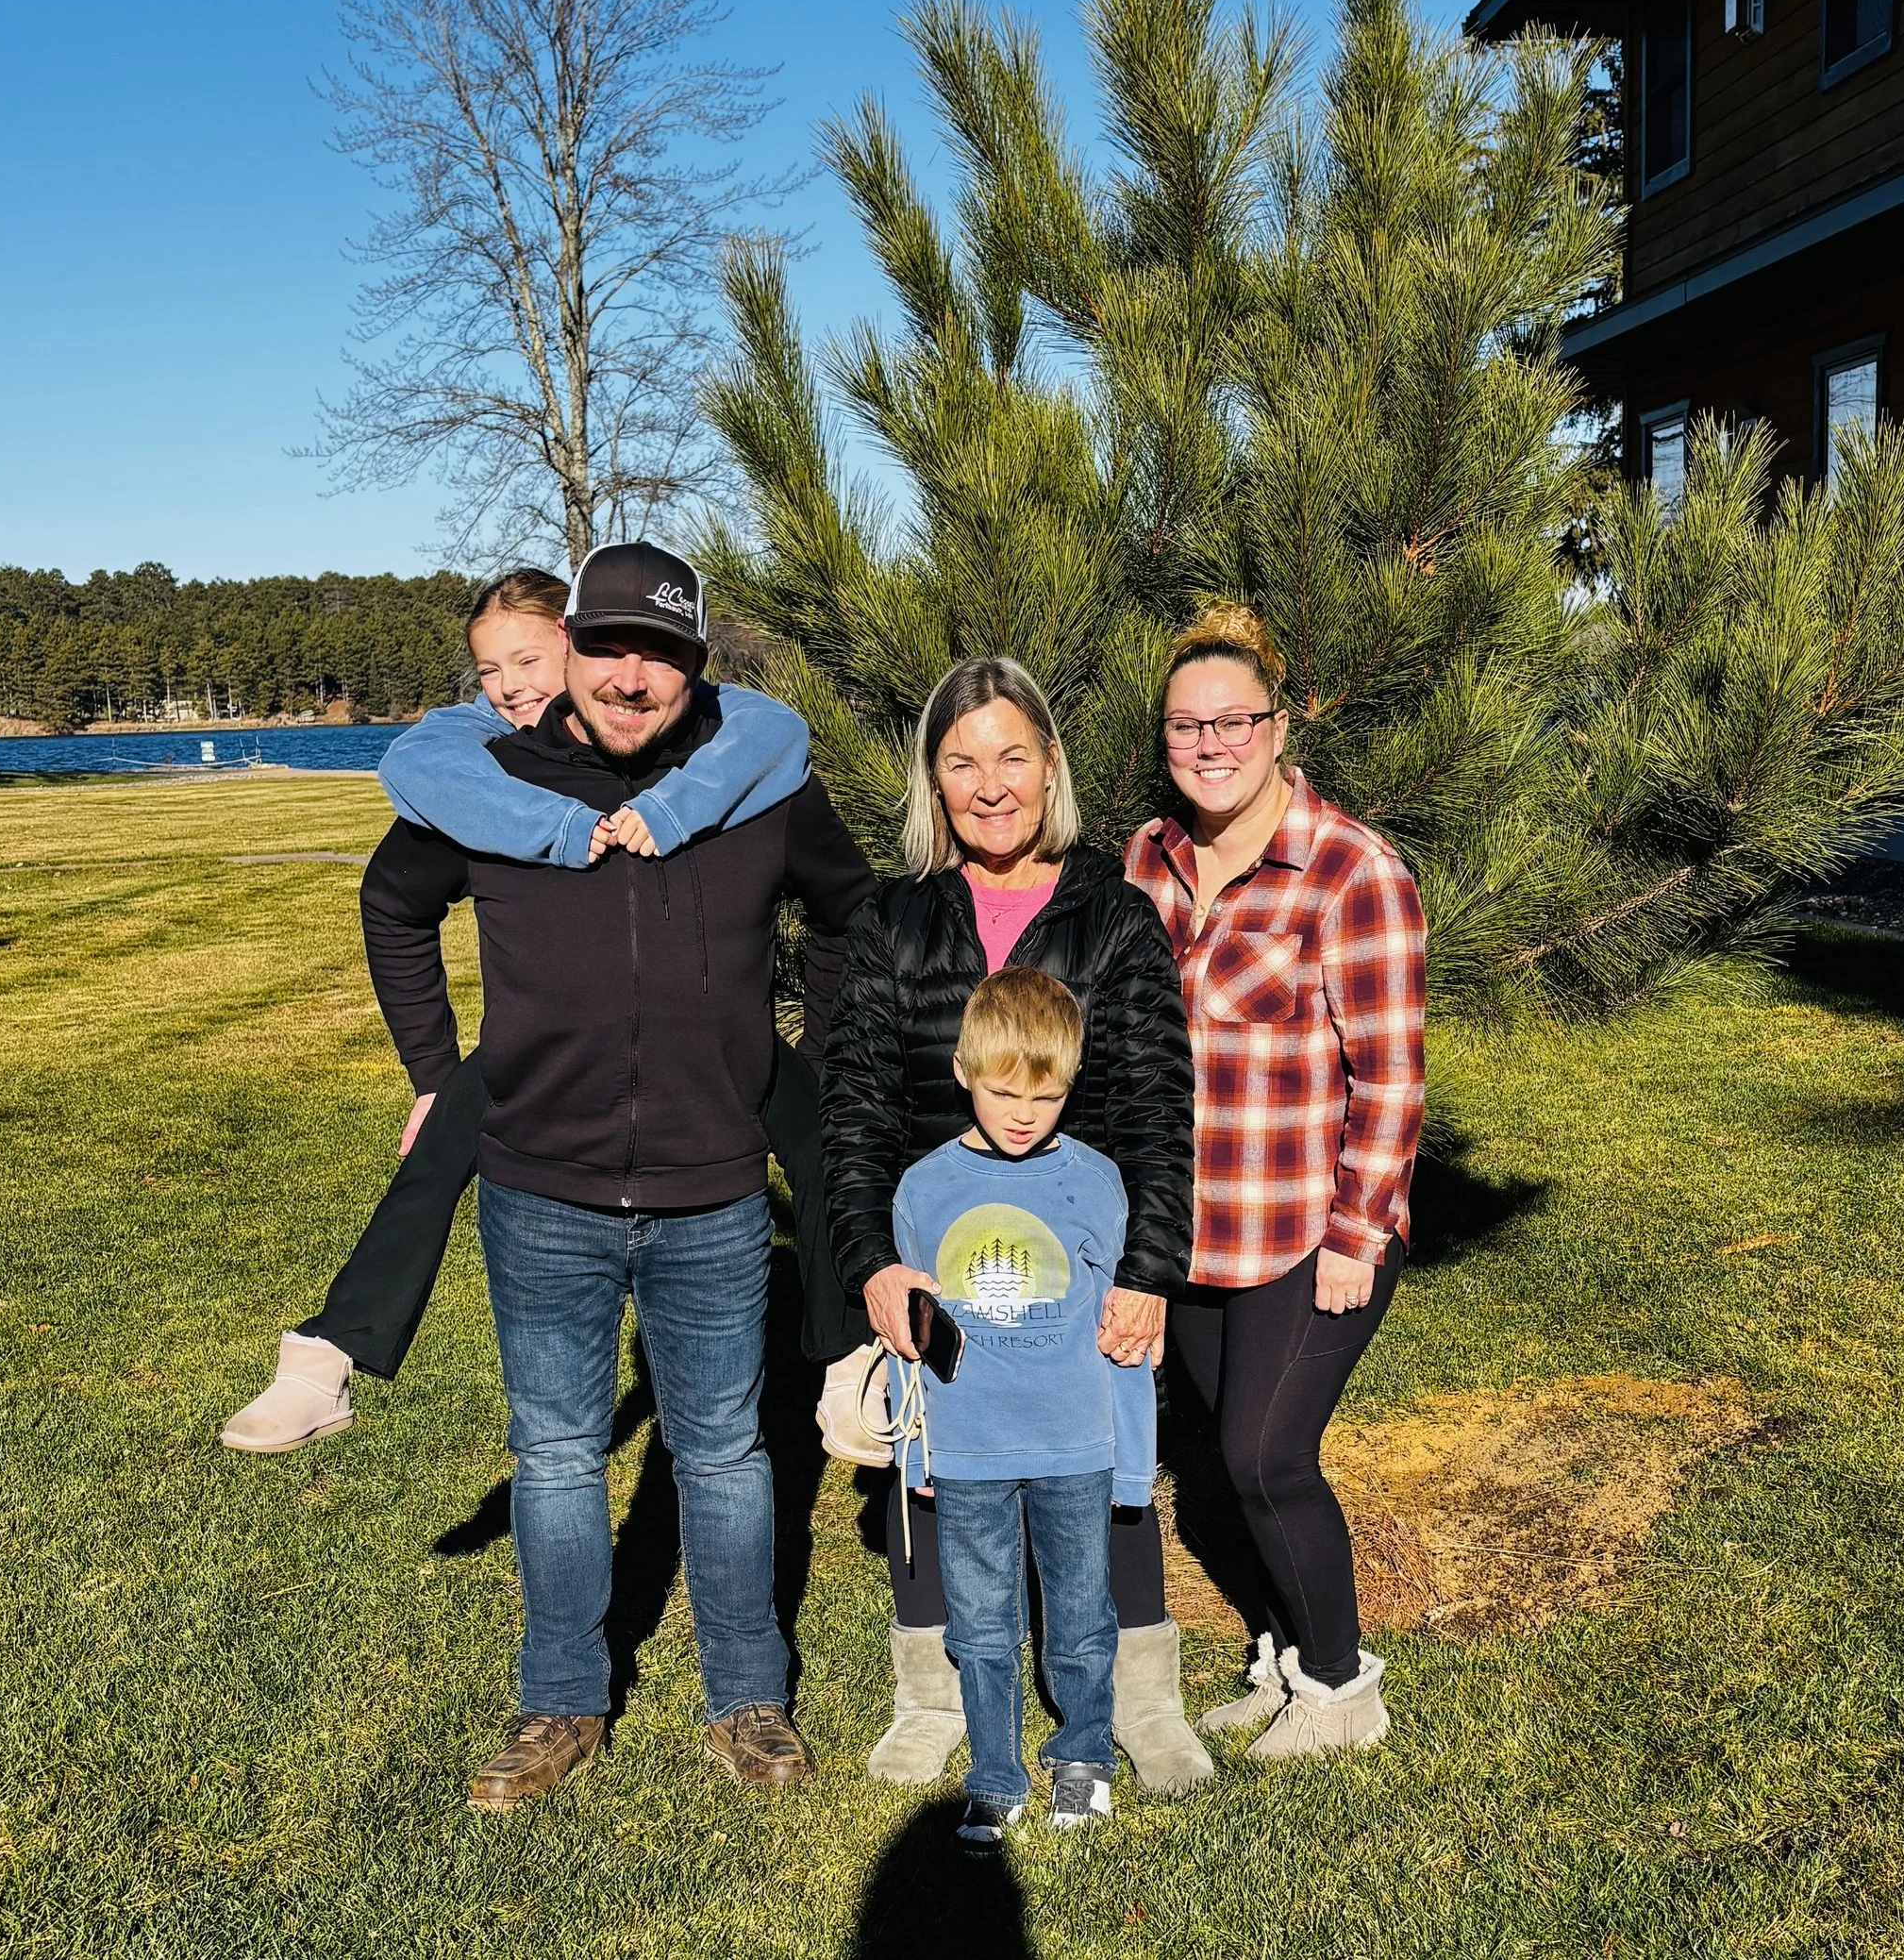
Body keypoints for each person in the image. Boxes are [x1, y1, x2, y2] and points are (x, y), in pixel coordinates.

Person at [358, 541, 876, 1805]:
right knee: (554, 1455)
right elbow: (393, 902)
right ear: (570, 646)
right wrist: (437, 1071)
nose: (631, 675)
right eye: (609, 647)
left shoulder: (756, 784)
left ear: (700, 670)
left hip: (711, 1190)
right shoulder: (493, 780)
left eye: (664, 652)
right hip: (543, 1190)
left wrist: (801, 1054)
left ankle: (748, 1695)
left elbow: (851, 914)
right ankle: (560, 1701)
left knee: (726, 1454)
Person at [218, 567, 817, 1454]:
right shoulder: (477, 746)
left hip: (709, 1046)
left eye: (527, 659)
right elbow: (410, 782)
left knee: (822, 1132)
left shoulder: (688, 719)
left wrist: (673, 807)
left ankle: (851, 1355)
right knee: (443, 1137)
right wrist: (431, 1069)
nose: (507, 687)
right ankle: (325, 1356)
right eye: (489, 669)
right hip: (547, 1058)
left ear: (578, 645)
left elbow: (774, 726)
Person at [818, 654, 1211, 1795]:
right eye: (961, 761)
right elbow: (854, 1111)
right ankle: (933, 1690)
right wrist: (874, 1264)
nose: (989, 784)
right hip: (940, 1261)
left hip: (1080, 1268)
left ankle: (1140, 1694)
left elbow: (1154, 1106)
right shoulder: (893, 918)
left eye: (1011, 756)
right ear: (931, 783)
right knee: (934, 1459)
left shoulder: (1112, 915)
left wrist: (1146, 1270)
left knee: (1106, 1452)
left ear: (1050, 765)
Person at [1125, 602, 1427, 1761]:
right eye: (1185, 725)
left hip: (1310, 1225)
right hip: (1197, 1231)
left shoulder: (1350, 869)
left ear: (1277, 724)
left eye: (1231, 720)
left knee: (1263, 1455)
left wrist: (1358, 1233)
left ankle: (1344, 1690)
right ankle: (1284, 1653)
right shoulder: (1148, 857)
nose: (1209, 743)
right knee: (1212, 1456)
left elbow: (1389, 1074)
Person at [889, 968, 1153, 1853]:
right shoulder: (923, 1191)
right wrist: (916, 1454)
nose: (1023, 1112)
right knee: (982, 1621)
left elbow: (1123, 1332)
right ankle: (994, 1777)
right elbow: (910, 1338)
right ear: (963, 1069)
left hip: (1073, 1444)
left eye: (1047, 1094)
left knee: (1080, 1613)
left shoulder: (1098, 1182)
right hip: (966, 1450)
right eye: (1004, 1090)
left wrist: (1129, 1455)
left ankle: (1084, 1754)